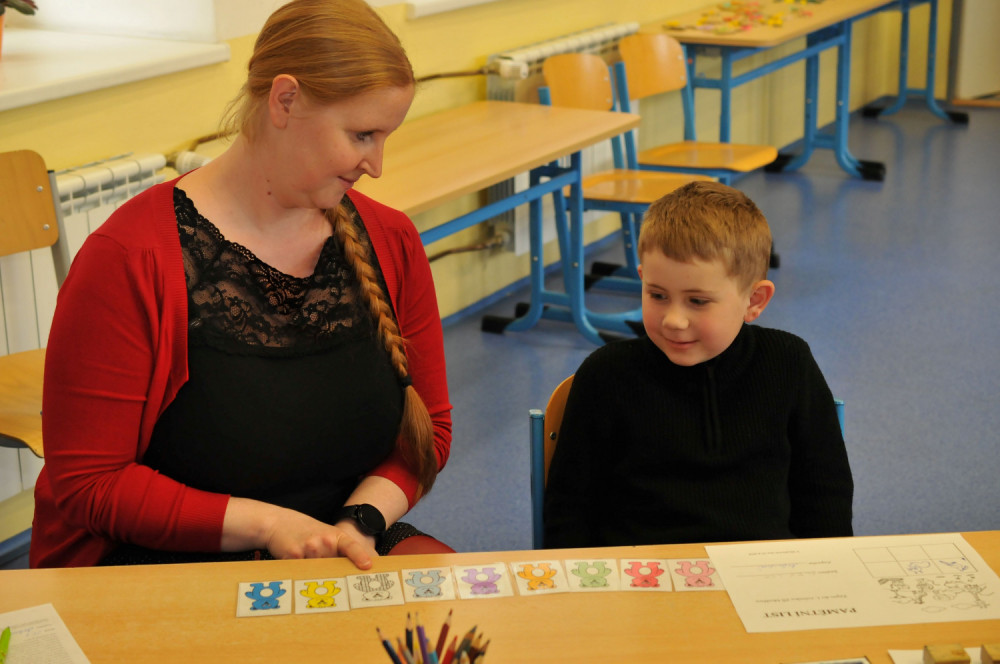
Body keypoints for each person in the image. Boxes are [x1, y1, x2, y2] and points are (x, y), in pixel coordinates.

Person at [31, 0, 454, 569]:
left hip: (340, 540)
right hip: (171, 557)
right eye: (361, 135)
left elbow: (430, 430)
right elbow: (91, 484)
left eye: (384, 137)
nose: (375, 164)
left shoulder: (391, 239)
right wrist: (271, 526)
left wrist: (357, 523)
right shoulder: (130, 258)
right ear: (285, 100)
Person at [543, 181, 853, 548]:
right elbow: (569, 510)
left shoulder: (789, 362)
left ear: (754, 300)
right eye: (657, 295)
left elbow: (825, 496)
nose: (674, 320)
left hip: (762, 569)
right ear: (641, 279)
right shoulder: (606, 375)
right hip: (643, 573)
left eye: (698, 301)